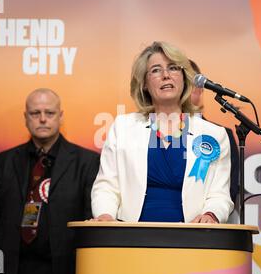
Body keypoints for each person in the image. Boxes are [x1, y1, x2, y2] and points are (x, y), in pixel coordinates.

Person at [91, 41, 234, 223]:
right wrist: (105, 215)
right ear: (144, 84)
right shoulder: (122, 127)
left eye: (173, 68)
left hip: (193, 238)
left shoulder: (215, 134)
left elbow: (219, 194)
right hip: (130, 237)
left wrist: (211, 214)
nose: (166, 75)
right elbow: (106, 186)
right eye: (156, 70)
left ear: (184, 78)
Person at [0, 88, 100, 274]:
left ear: (60, 116)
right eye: (35, 113)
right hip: (14, 273)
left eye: (49, 113)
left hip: (63, 273)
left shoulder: (87, 162)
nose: (42, 119)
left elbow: (90, 232)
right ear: (26, 117)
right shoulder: (4, 162)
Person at [189, 59, 240, 203]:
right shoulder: (154, 134)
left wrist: (211, 214)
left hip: (204, 222)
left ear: (200, 88)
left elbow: (230, 189)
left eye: (188, 85)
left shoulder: (221, 135)